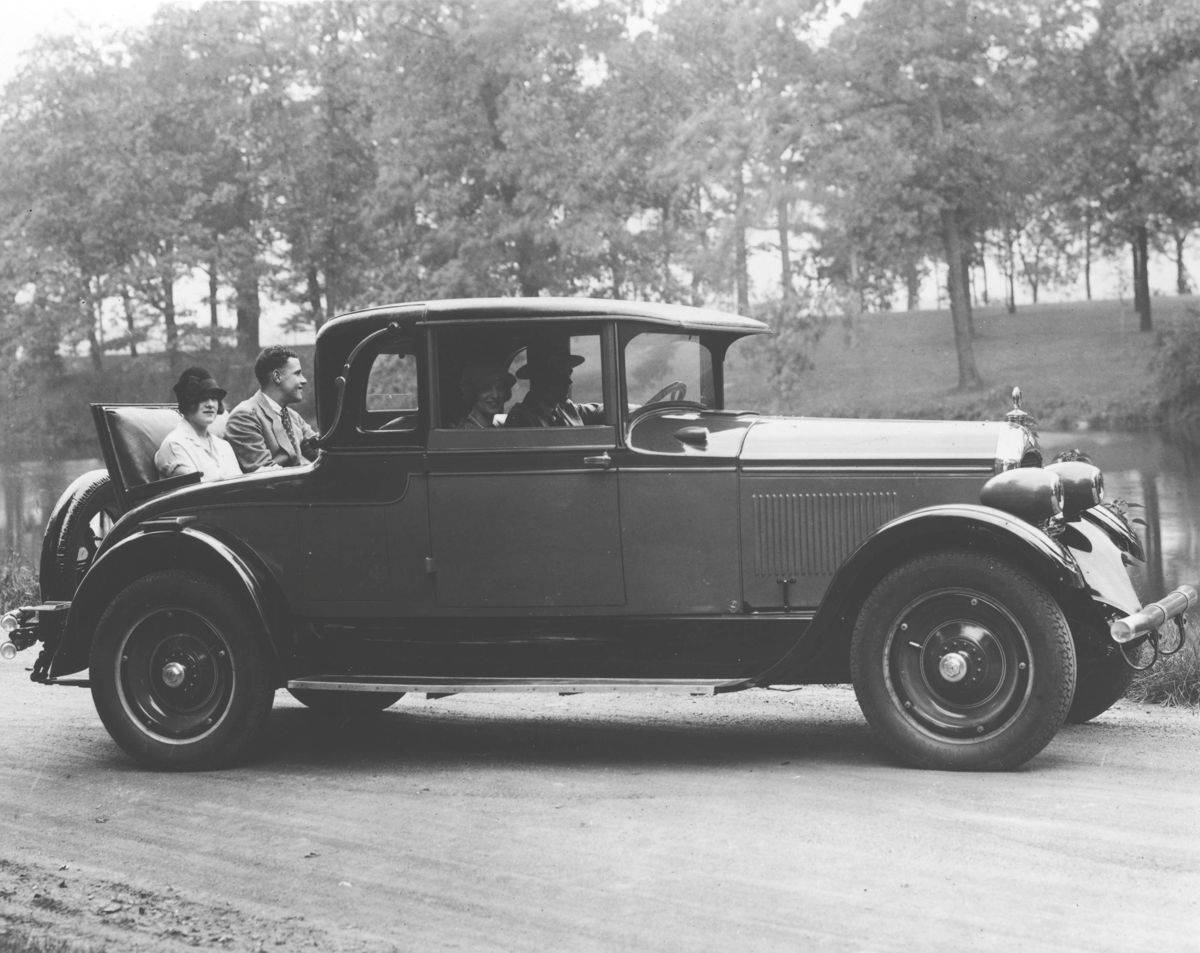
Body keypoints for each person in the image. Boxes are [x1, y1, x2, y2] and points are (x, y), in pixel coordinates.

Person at [224, 346, 319, 472]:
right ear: (277, 376)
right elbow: (264, 474)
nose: (304, 380)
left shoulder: (292, 416)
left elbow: (321, 451)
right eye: (297, 373)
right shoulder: (244, 417)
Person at [154, 367, 242, 482]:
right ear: (188, 402)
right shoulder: (175, 445)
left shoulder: (224, 446)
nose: (210, 404)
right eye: (203, 398)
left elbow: (241, 484)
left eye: (214, 398)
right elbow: (199, 493)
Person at [504, 339, 605, 427]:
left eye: (568, 374)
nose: (569, 381)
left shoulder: (565, 407)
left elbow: (600, 410)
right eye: (559, 376)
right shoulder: (521, 417)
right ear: (540, 378)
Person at [454, 358, 516, 429]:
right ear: (473, 393)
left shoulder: (499, 427)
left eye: (500, 388)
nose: (495, 395)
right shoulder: (465, 432)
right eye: (486, 389)